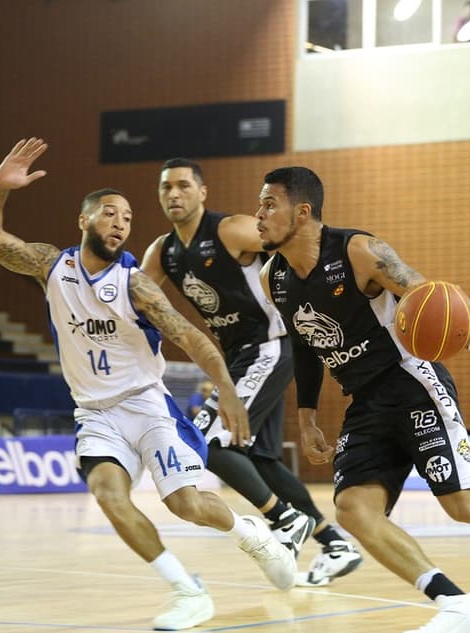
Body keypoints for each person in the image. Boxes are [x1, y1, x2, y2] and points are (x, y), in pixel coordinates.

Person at [255, 166, 470, 633]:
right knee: (354, 511)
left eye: (268, 204)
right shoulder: (272, 278)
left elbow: (424, 293)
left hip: (412, 381)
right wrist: (306, 419)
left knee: (466, 506)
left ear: (302, 212)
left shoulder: (359, 251)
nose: (258, 215)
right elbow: (304, 344)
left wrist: (460, 312)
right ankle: (458, 604)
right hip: (364, 398)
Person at [0, 138, 296, 631]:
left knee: (187, 504)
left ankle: (251, 533)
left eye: (126, 216)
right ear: (84, 221)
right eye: (109, 213)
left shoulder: (135, 285)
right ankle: (188, 591)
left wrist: (226, 389)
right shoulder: (50, 266)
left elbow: (190, 336)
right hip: (96, 413)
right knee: (108, 494)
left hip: (148, 407)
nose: (120, 222)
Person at [141, 157, 362, 586]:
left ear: (202, 192)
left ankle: (283, 519)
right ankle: (334, 542)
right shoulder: (162, 251)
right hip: (240, 358)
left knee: (210, 439)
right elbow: (134, 297)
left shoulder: (229, 230)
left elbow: (298, 242)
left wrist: (332, 294)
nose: (174, 194)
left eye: (184, 185)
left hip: (270, 346)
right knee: (259, 456)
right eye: (166, 187)